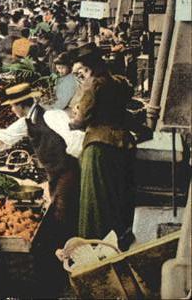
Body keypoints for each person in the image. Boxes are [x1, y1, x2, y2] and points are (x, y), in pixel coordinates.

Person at [69, 43, 136, 250]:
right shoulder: (117, 82)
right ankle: (116, 242)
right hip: (121, 144)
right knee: (114, 197)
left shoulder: (92, 86)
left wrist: (72, 120)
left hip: (98, 148)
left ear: (87, 68)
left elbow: (80, 121)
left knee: (95, 201)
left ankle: (95, 247)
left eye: (82, 70)